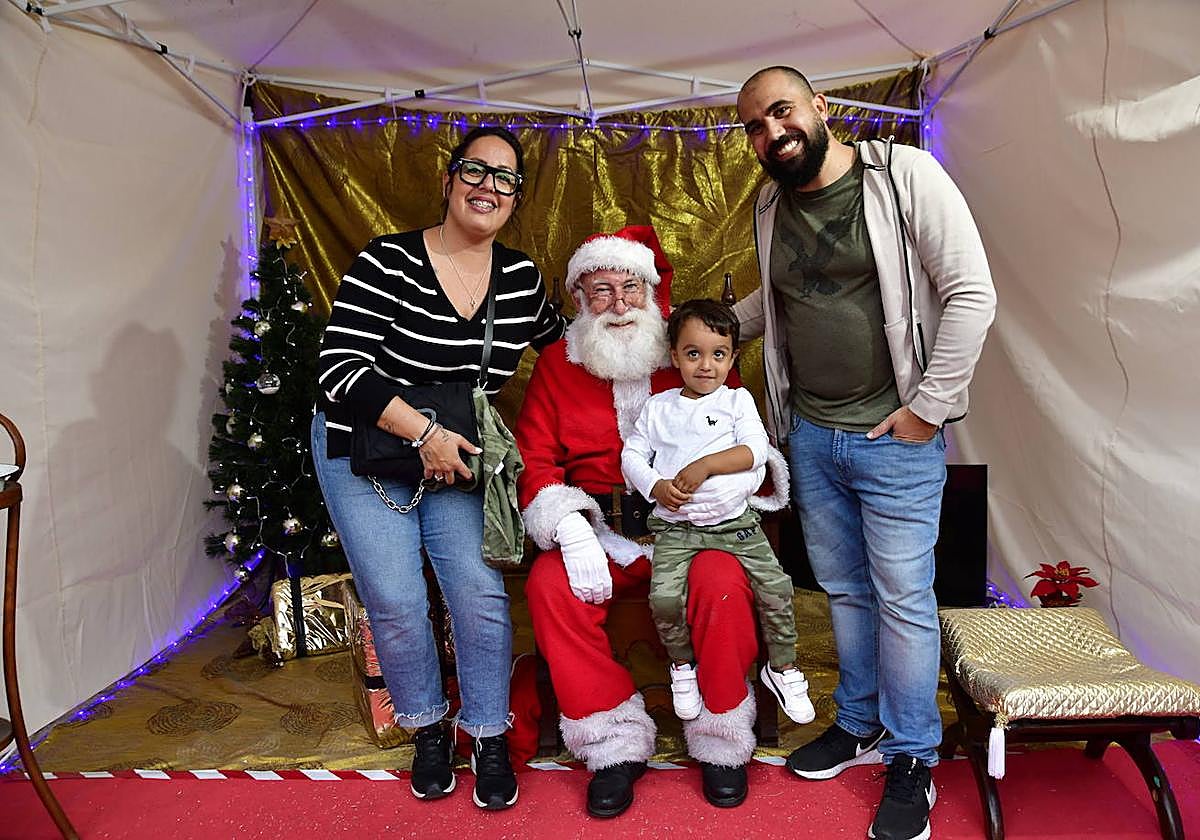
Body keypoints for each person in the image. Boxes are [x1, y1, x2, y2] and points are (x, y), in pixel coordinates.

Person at [734, 66, 996, 840]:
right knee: (844, 594)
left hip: (895, 438)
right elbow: (780, 298)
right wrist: (705, 324)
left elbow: (971, 292)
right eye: (753, 124)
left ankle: (914, 752)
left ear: (821, 106)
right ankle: (861, 725)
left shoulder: (901, 173)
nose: (770, 132)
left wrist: (928, 408)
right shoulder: (770, 202)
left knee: (904, 599)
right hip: (811, 435)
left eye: (780, 111)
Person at [310, 126, 566, 810]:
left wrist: (657, 346)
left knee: (478, 594)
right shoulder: (387, 261)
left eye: (506, 177)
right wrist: (422, 431)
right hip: (366, 447)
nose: (489, 185)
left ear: (516, 198)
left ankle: (485, 732)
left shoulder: (518, 280)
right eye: (476, 171)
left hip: (451, 456)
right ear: (450, 181)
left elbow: (571, 349)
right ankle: (427, 726)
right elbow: (338, 369)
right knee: (395, 601)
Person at [516, 226, 763, 817]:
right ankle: (611, 741)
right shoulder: (557, 364)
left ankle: (721, 736)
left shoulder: (690, 354)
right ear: (579, 299)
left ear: (653, 293)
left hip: (692, 527)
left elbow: (741, 439)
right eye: (601, 290)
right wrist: (568, 526)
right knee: (550, 586)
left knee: (722, 586)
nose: (620, 303)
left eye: (631, 286)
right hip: (599, 530)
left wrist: (716, 497)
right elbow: (536, 458)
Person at [621, 299, 813, 725]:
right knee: (666, 597)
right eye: (693, 354)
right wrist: (655, 485)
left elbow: (754, 451)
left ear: (732, 356)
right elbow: (632, 455)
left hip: (736, 527)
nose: (705, 365)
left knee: (777, 588)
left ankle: (782, 667)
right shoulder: (659, 407)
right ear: (674, 356)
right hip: (677, 529)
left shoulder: (736, 401)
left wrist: (704, 465)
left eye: (718, 354)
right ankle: (682, 665)